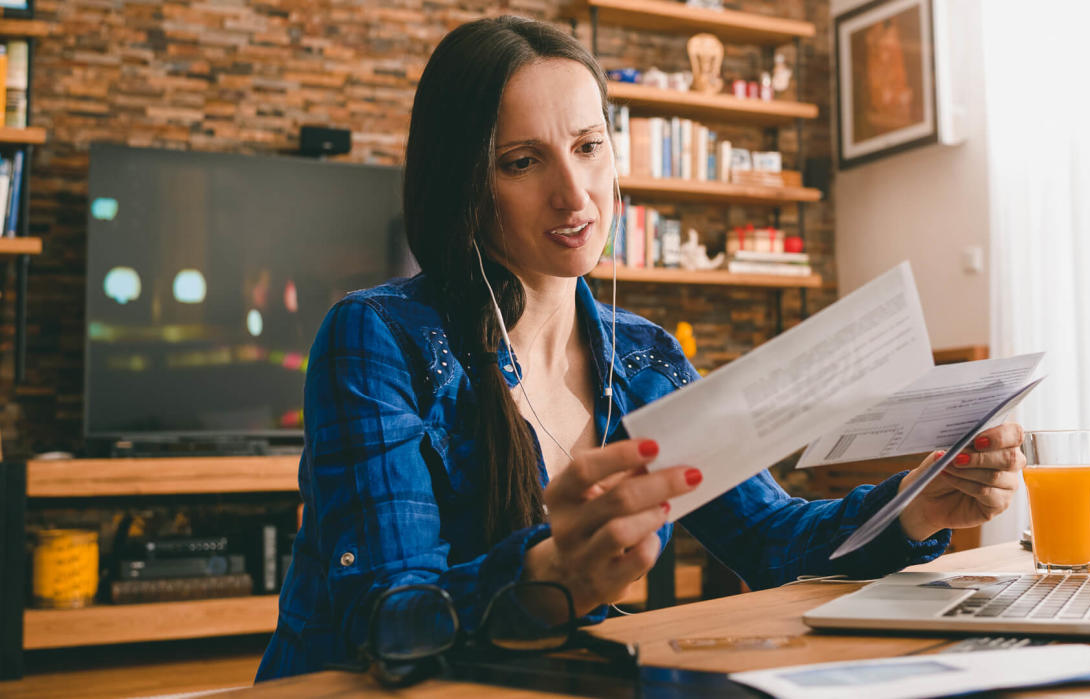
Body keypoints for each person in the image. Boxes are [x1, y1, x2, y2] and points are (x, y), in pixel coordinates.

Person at [255, 16, 1026, 681]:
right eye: (523, 162)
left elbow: (772, 540)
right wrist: (551, 571)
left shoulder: (648, 358)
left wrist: (915, 504)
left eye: (589, 146)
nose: (575, 193)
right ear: (464, 183)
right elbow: (389, 621)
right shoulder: (376, 337)